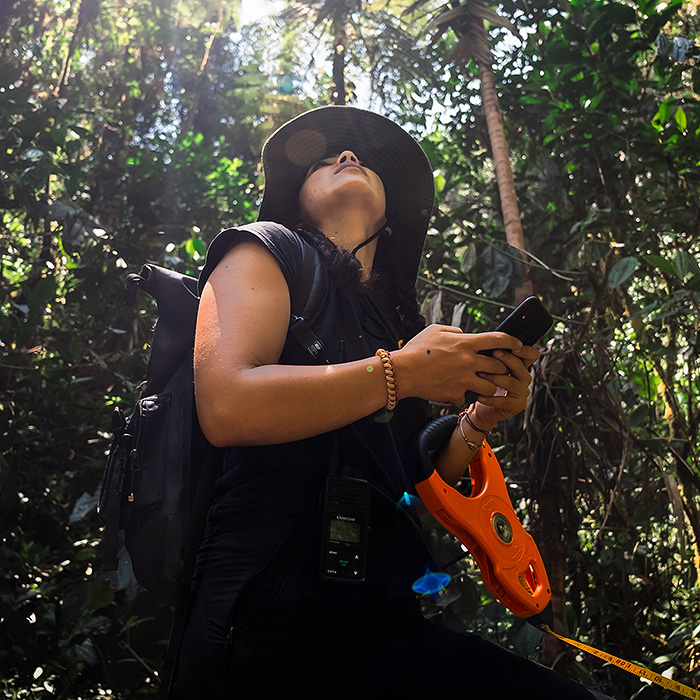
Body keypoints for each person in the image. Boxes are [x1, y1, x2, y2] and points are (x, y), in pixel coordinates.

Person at [170, 106, 613, 699]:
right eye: (327, 158)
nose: (349, 157)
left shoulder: (399, 322)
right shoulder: (263, 251)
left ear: (392, 216)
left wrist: (479, 418)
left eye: (364, 160)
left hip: (386, 612)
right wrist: (401, 372)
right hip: (264, 605)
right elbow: (227, 405)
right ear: (295, 199)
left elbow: (414, 469)